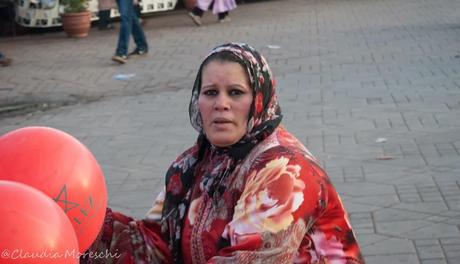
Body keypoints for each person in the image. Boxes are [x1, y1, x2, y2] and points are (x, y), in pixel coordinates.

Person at [83, 43, 364, 263]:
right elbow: (156, 243)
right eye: (210, 92)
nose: (221, 104)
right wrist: (85, 224)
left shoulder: (285, 170)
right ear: (197, 100)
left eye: (235, 92)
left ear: (259, 100)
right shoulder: (194, 163)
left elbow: (247, 257)